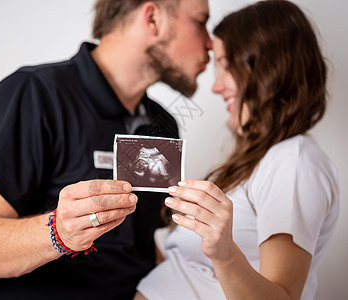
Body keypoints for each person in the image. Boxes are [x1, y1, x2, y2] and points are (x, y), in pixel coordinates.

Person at [0, 0, 211, 299]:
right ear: (153, 18)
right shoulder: (34, 94)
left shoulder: (163, 125)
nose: (209, 43)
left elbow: (134, 248)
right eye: (200, 22)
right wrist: (59, 232)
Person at [135, 0, 340, 299]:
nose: (216, 87)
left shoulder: (294, 160)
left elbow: (281, 294)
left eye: (226, 67)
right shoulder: (261, 161)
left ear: (269, 69)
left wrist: (225, 254)